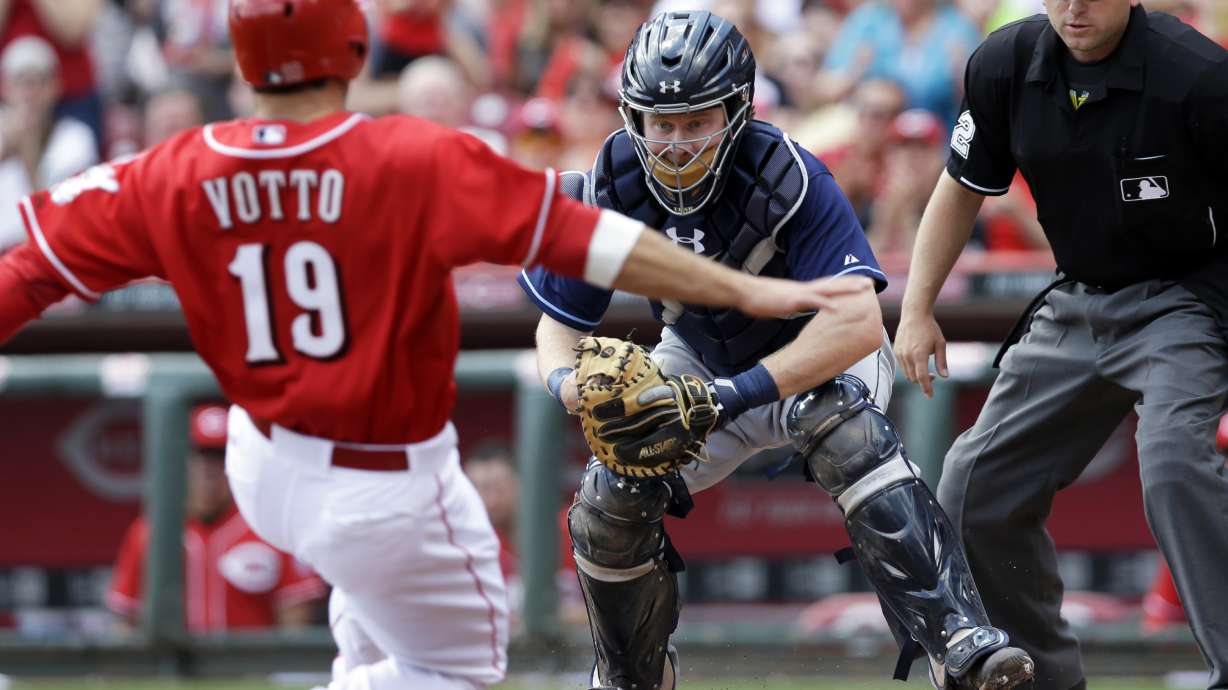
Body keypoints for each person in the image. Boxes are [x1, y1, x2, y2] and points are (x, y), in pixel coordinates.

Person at [0, 2, 862, 687]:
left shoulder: (172, 168)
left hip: (261, 463)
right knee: (458, 667)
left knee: (371, 623)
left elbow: (29, 270)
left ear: (238, 57)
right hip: (384, 484)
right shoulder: (405, 157)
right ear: (351, 49)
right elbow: (590, 241)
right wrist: (749, 289)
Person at [518, 11, 1033, 690]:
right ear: (631, 118)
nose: (674, 144)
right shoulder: (611, 180)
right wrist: (567, 385)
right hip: (699, 352)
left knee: (843, 430)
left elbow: (854, 322)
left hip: (813, 352)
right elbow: (556, 320)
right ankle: (632, 675)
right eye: (659, 123)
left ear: (737, 111)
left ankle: (958, 642)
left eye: (695, 121)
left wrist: (731, 397)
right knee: (609, 493)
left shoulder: (788, 173)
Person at [893, 1, 1228, 688]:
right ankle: (1034, 677)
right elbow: (960, 188)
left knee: (1173, 464)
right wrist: (918, 307)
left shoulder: (1197, 76)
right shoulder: (1004, 63)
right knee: (972, 483)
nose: (1075, 6)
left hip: (1188, 299)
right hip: (1076, 298)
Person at [106, 404, 327, 632]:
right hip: (174, 667)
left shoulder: (268, 525)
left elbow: (296, 618)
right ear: (179, 462)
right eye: (198, 457)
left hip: (253, 665)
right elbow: (126, 620)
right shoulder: (151, 530)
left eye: (219, 458)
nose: (207, 471)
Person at [0, 35, 96, 251]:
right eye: (21, 81)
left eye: (39, 81)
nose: (30, 93)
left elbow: (58, 222)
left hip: (44, 255)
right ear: (5, 87)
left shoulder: (76, 138)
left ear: (56, 86)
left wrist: (29, 155)